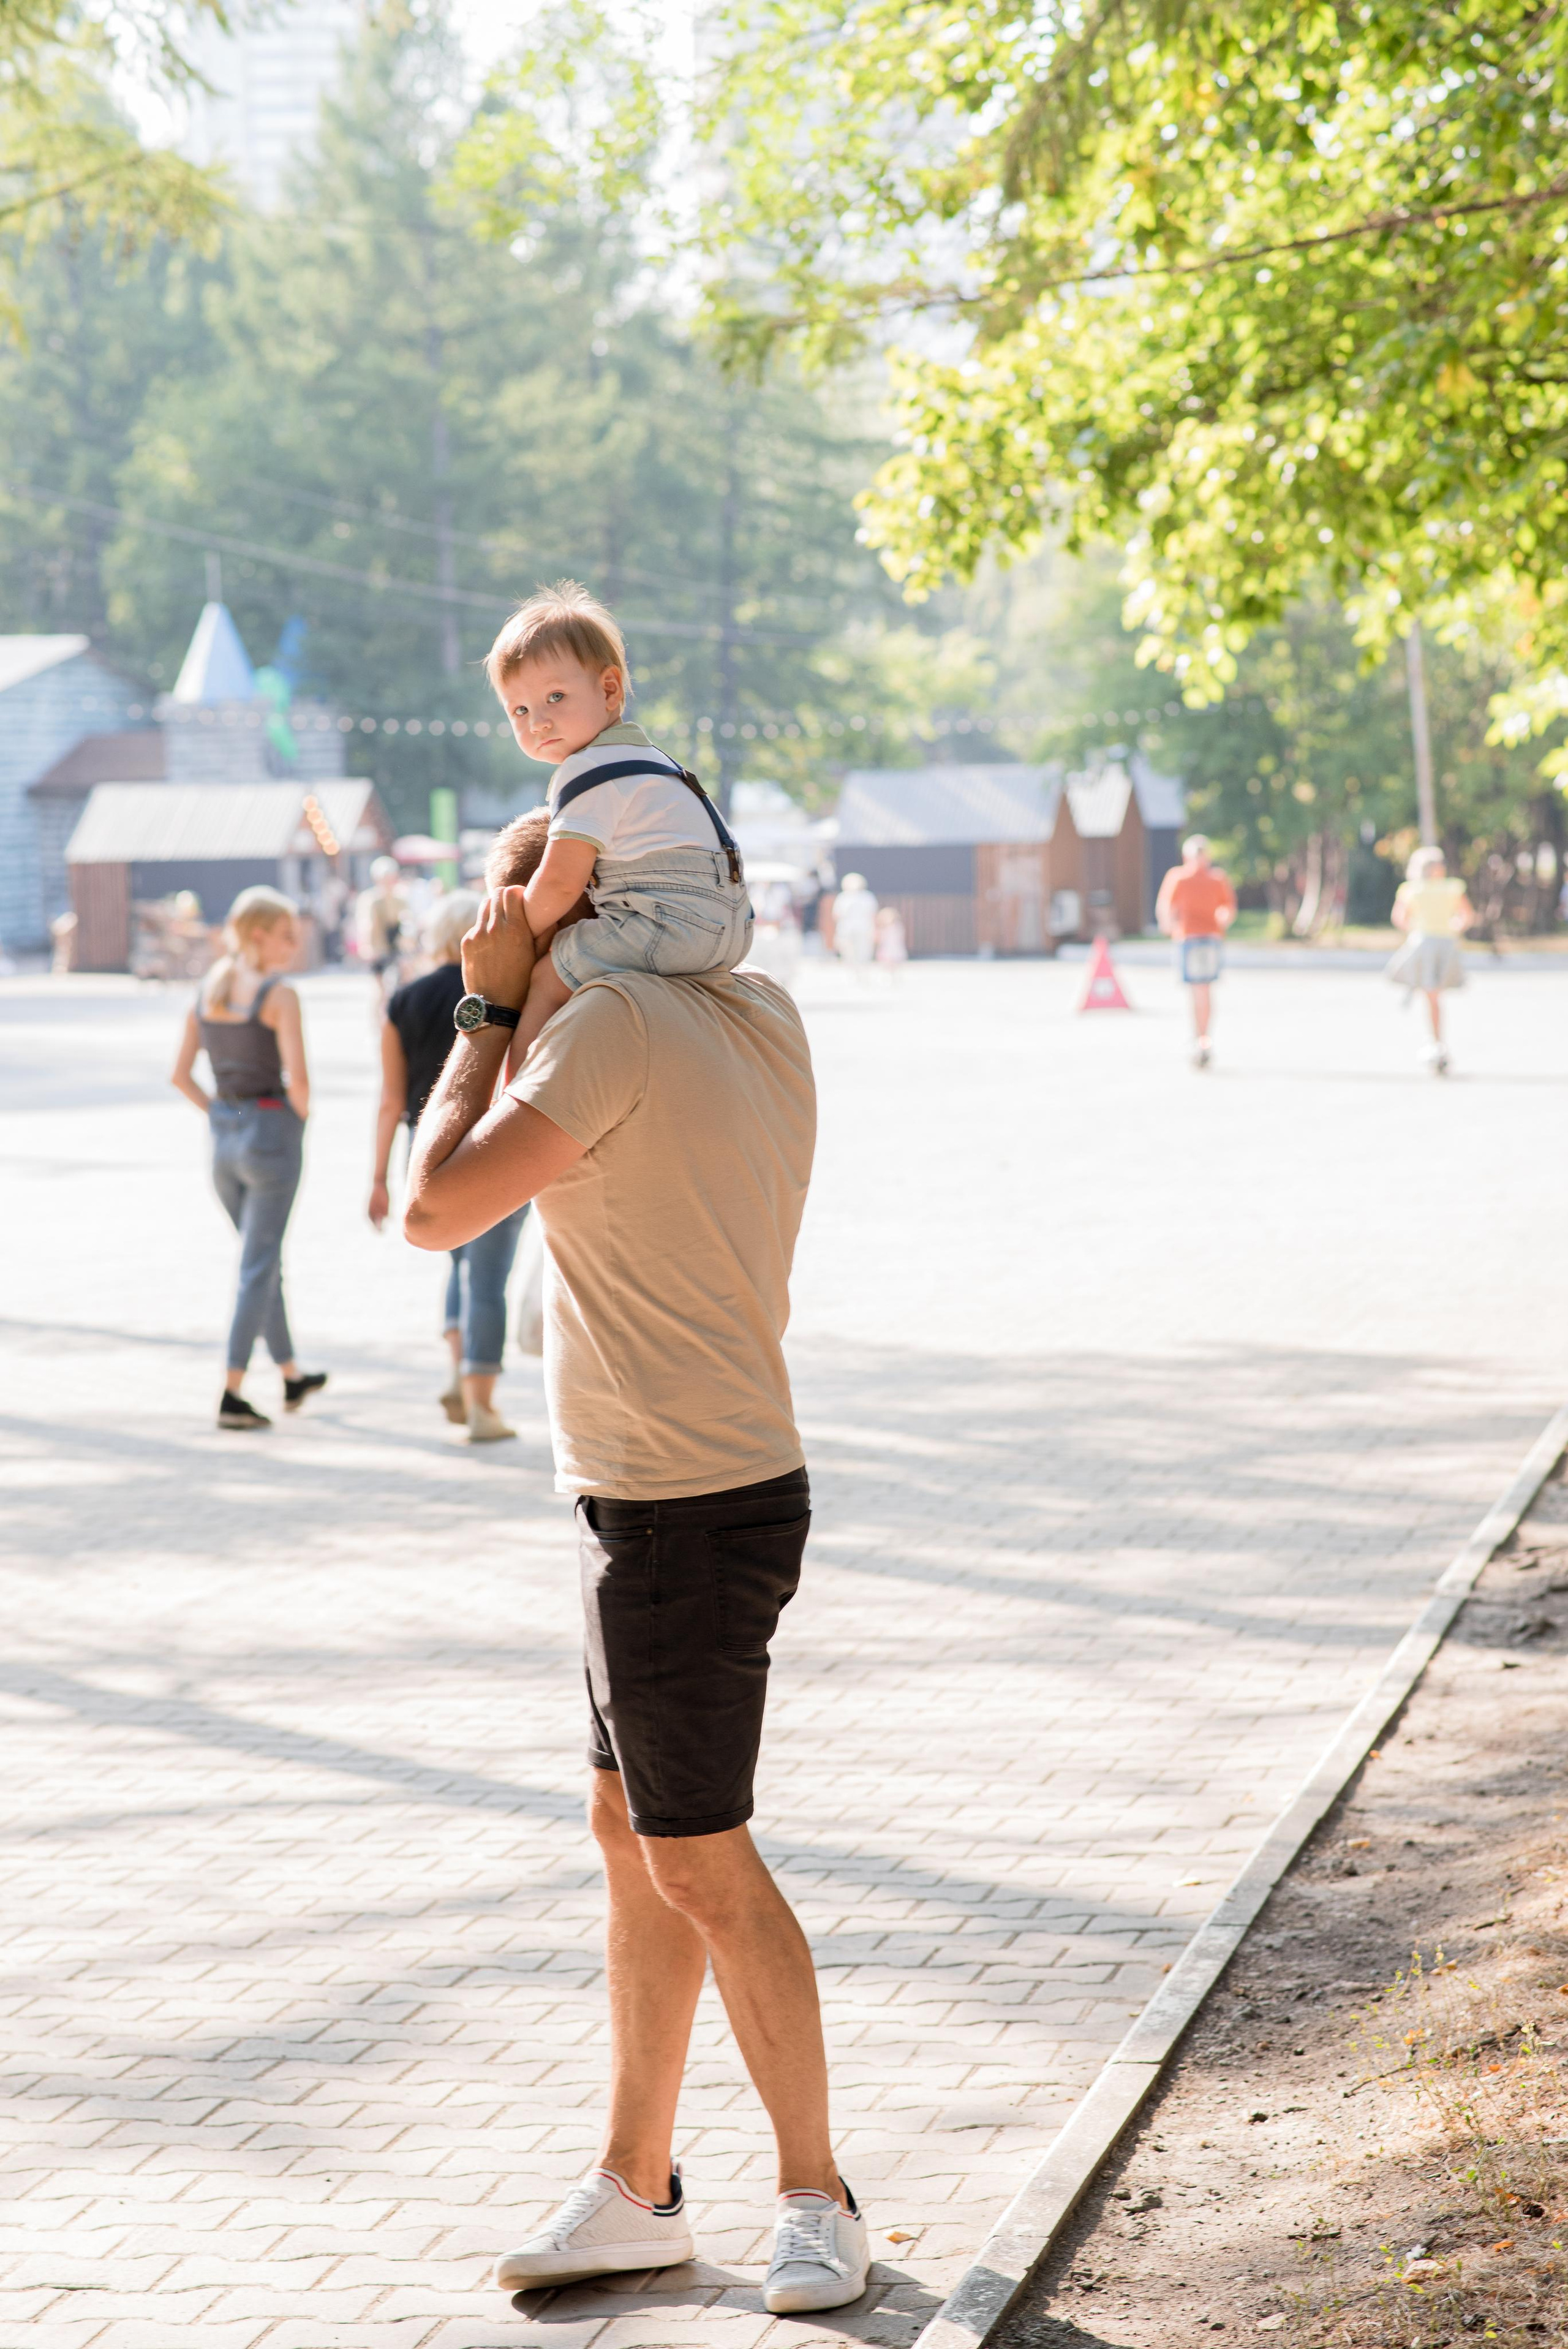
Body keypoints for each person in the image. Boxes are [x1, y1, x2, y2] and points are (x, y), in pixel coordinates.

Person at [400, 812, 870, 2318]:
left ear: (576, 905)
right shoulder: (757, 1009)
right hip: (682, 1484)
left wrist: (482, 997)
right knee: (632, 1836)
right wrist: (541, 958)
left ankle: (817, 2193)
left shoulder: (598, 1028)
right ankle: (637, 2182)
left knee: (696, 1858)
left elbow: (430, 1205)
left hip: (672, 1503)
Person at [483, 580, 753, 1065]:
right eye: (519, 710)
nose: (537, 722)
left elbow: (562, 880)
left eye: (555, 697)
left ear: (609, 689)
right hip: (732, 924)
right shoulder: (651, 760)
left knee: (548, 979)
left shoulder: (587, 769)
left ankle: (517, 1095)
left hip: (670, 922)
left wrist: (514, 936)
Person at [369, 889, 527, 1443]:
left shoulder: (403, 1001)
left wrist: (378, 1179)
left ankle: (456, 1376)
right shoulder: (510, 994)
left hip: (426, 1149)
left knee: (458, 1267)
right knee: (489, 1278)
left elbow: (390, 1099)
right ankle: (482, 1405)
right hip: (492, 1143)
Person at [170, 885, 326, 1430]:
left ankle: (289, 1373)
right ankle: (232, 1392)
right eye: (287, 936)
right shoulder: (280, 995)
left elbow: (179, 1076)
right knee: (258, 1265)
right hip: (271, 1132)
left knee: (262, 1261)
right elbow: (300, 1082)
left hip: (223, 1139)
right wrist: (297, 1120)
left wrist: (220, 1114)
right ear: (259, 934)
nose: (293, 946)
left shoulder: (208, 989)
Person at [1387, 845, 1474, 1073]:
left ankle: (1435, 1041)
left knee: (1432, 996)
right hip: (1443, 944)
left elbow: (1399, 919)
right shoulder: (1450, 888)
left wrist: (1416, 930)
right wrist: (1455, 928)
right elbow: (1466, 916)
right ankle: (1436, 1042)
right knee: (1434, 996)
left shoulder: (1411, 889)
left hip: (1424, 943)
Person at [1156, 834, 1238, 1067]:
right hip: (1210, 939)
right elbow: (1228, 911)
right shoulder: (1217, 878)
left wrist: (1169, 926)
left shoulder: (1179, 877)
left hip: (1190, 940)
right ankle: (1204, 1039)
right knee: (1206, 991)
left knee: (1197, 992)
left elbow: (1165, 909)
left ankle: (1198, 1039)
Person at [355, 857, 407, 1002]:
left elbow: (406, 923)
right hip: (378, 948)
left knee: (399, 985)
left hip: (396, 948)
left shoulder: (400, 898)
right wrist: (366, 946)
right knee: (380, 991)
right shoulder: (370, 899)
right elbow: (366, 924)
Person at [831, 871, 878, 971]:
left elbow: (837, 915)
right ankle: (857, 971)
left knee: (860, 952)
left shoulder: (844, 898)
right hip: (853, 929)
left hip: (857, 929)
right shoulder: (866, 897)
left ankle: (859, 971)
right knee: (853, 952)